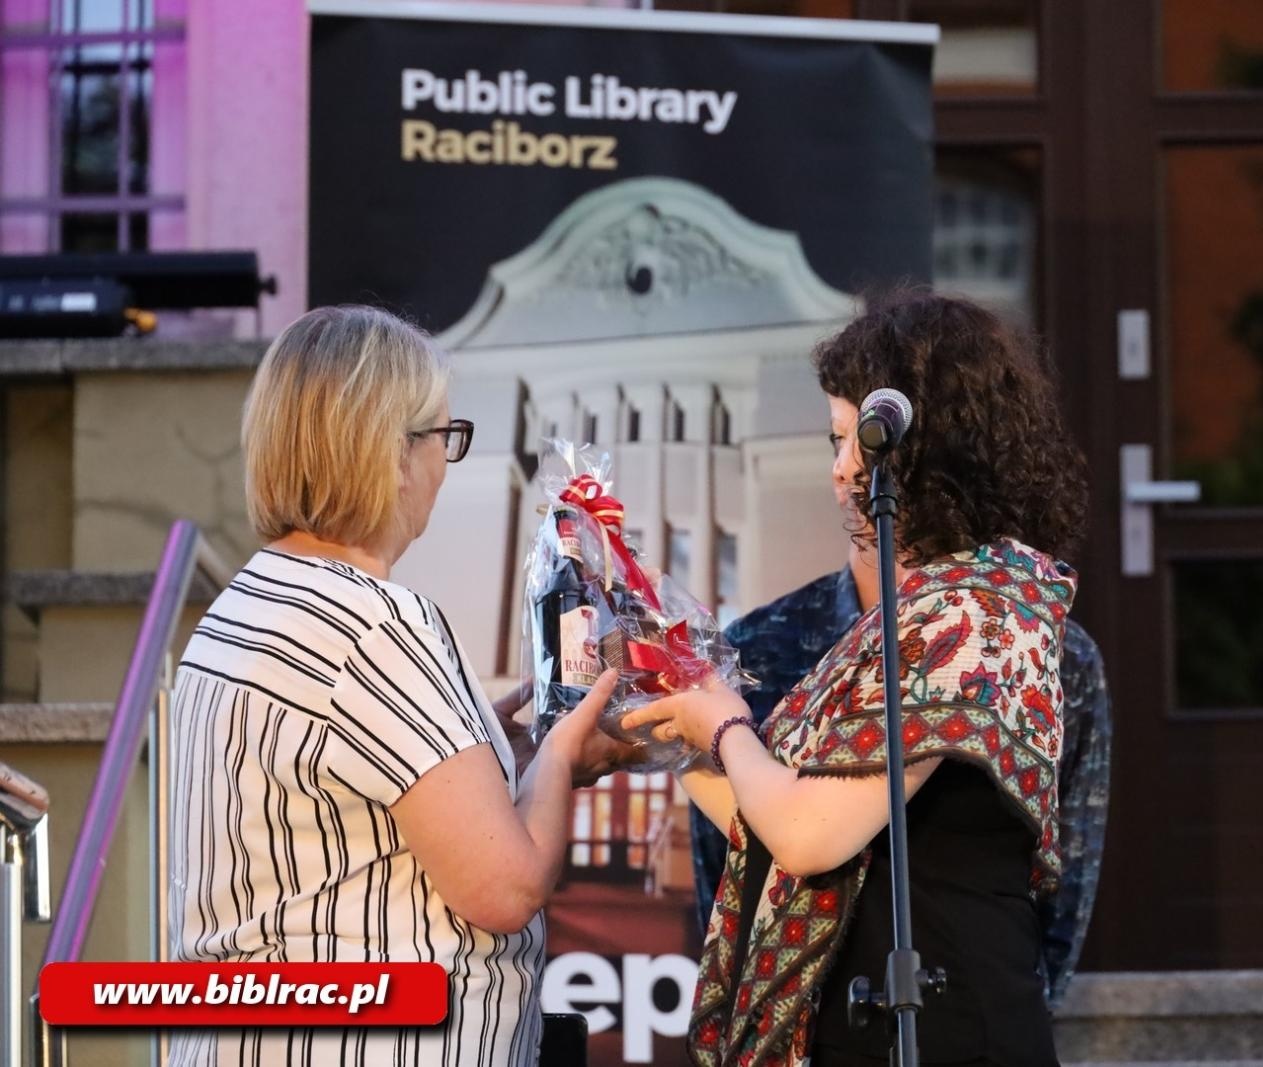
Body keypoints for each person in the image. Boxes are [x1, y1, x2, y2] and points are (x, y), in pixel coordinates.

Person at [625, 289, 1096, 1066]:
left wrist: (726, 725)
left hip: (947, 1027)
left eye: (858, 441)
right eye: (834, 439)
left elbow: (809, 835)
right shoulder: (923, 611)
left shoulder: (978, 615)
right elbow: (775, 813)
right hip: (865, 1022)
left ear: (933, 447)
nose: (842, 470)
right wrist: (669, 735)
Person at [166, 305, 627, 1066]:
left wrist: (508, 745)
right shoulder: (372, 623)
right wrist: (560, 755)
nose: (446, 465)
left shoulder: (243, 606)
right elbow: (506, 887)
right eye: (445, 437)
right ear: (392, 452)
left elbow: (366, 804)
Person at [690, 545, 1111, 1006]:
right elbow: (730, 853)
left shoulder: (1045, 647)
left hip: (967, 1005)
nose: (853, 475)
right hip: (809, 1014)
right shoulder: (759, 644)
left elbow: (1069, 861)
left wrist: (1032, 999)